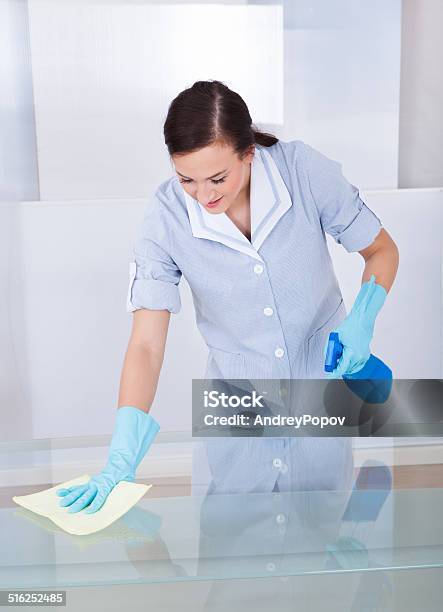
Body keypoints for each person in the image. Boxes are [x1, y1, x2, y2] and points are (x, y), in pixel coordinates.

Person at [57, 80, 399, 513]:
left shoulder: (303, 172)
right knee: (232, 557)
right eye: (187, 180)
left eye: (218, 178)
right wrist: (120, 457)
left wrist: (363, 317)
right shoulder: (166, 217)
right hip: (235, 410)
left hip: (322, 396)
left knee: (320, 540)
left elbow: (381, 249)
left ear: (249, 152)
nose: (204, 195)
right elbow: (146, 344)